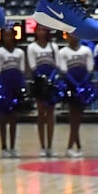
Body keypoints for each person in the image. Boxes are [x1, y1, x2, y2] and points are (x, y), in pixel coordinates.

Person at [0, 29, 27, 159]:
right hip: (3, 86)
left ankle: (13, 147)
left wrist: (22, 88)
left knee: (13, 118)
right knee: (2, 118)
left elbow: (22, 70)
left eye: (10, 35)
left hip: (16, 85)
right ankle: (4, 147)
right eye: (6, 35)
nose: (8, 37)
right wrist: (0, 90)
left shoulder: (20, 52)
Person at [57, 34, 95, 158]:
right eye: (70, 36)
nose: (73, 38)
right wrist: (75, 85)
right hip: (70, 87)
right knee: (74, 117)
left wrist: (82, 85)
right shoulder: (62, 52)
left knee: (77, 117)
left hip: (83, 87)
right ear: (66, 37)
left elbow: (90, 70)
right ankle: (70, 147)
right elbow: (64, 71)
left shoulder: (86, 50)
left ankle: (77, 146)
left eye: (75, 35)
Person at [26, 25, 60, 158]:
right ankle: (42, 146)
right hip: (39, 83)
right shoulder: (31, 47)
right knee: (41, 114)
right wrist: (43, 79)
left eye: (43, 30)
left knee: (50, 114)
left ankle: (50, 146)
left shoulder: (53, 46)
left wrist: (50, 79)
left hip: (51, 83)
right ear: (35, 32)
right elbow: (33, 66)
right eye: (39, 30)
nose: (41, 32)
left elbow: (57, 65)